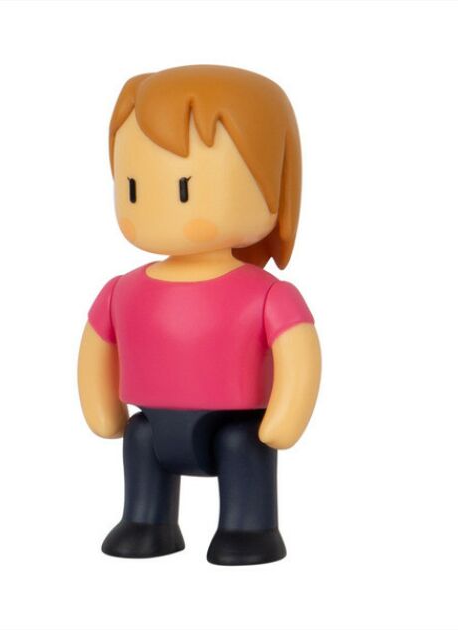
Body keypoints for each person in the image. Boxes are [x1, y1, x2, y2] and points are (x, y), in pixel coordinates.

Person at [77, 65, 321, 565]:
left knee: (241, 449)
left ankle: (248, 528)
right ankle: (147, 520)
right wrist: (102, 409)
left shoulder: (267, 295)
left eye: (184, 188)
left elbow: (299, 353)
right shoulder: (123, 289)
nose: (157, 204)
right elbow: (98, 344)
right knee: (140, 441)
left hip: (236, 425)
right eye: (133, 187)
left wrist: (285, 417)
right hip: (151, 422)